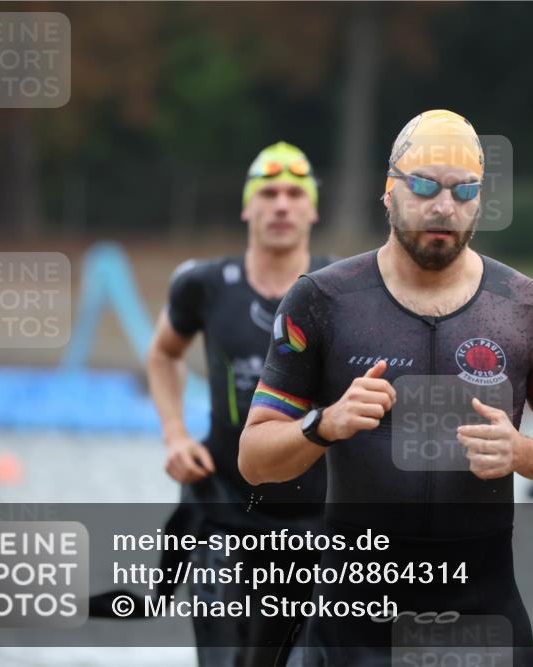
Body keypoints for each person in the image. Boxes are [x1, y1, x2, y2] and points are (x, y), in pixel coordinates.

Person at [239, 110, 533, 666]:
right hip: (354, 623)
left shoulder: (529, 309)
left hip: (480, 616)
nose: (443, 206)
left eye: (464, 191)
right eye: (425, 185)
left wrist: (523, 452)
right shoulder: (322, 301)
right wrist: (323, 424)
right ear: (390, 192)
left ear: (480, 200)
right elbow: (255, 460)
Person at [147, 141, 333, 667]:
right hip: (225, 508)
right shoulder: (203, 285)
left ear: (312, 209)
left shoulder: (339, 289)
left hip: (313, 520)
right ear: (247, 207)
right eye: (268, 193)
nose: (280, 205)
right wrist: (175, 436)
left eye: (294, 193)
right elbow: (163, 354)